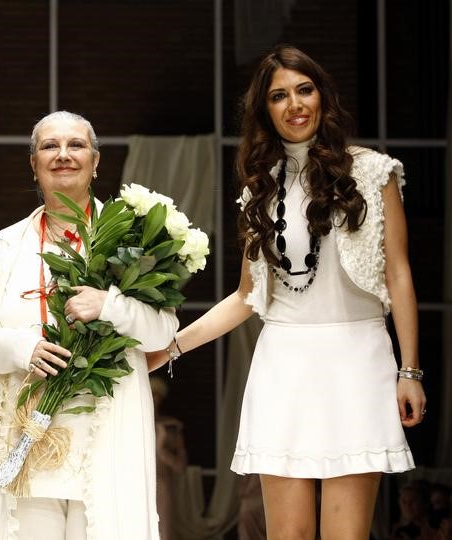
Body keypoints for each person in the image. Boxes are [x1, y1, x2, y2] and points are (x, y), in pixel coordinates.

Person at [148, 45, 426, 538]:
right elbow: (245, 297)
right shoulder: (261, 186)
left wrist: (410, 370)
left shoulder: (373, 172)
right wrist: (170, 347)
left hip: (358, 361)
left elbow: (399, 274)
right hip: (283, 364)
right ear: (265, 109)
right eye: (280, 95)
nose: (295, 104)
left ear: (322, 96)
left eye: (304, 89)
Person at [0, 110, 178, 539]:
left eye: (76, 145)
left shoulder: (133, 239)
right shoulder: (6, 245)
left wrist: (110, 304)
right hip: (28, 435)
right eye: (49, 146)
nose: (63, 155)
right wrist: (24, 348)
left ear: (96, 162)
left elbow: (163, 331)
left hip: (105, 438)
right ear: (34, 164)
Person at [149, 376, 186, 540]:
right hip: (139, 485)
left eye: (157, 397)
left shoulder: (171, 427)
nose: (154, 401)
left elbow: (181, 467)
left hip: (163, 486)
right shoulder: (133, 426)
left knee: (164, 532)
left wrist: (162, 451)